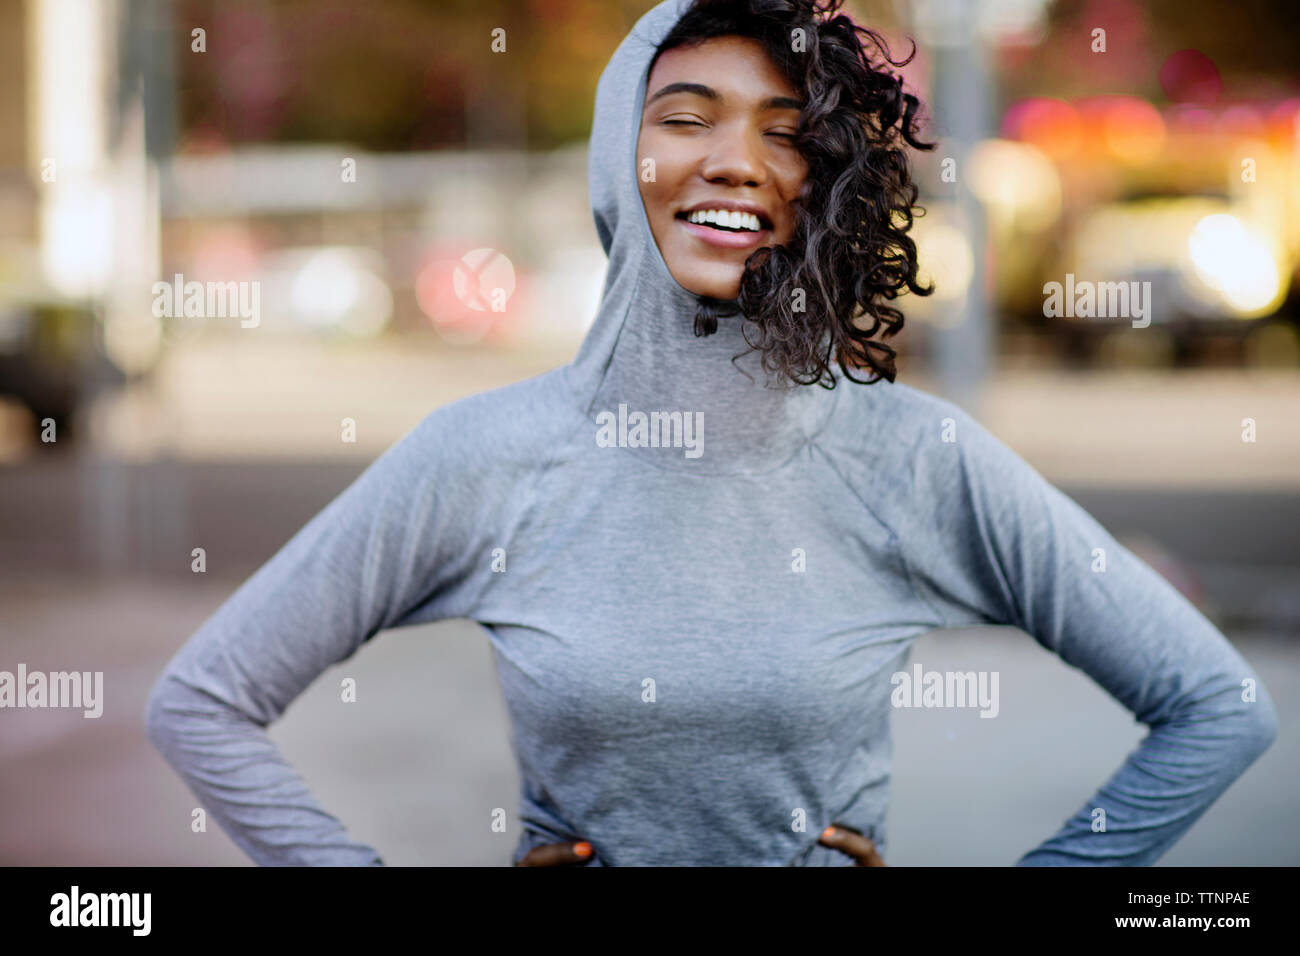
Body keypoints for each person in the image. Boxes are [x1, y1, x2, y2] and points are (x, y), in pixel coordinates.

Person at [144, 0, 1278, 867]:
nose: (733, 158)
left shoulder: (909, 456)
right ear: (613, 154)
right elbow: (201, 701)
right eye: (684, 116)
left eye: (784, 134)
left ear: (817, 180)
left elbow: (1216, 707)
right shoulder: (484, 454)